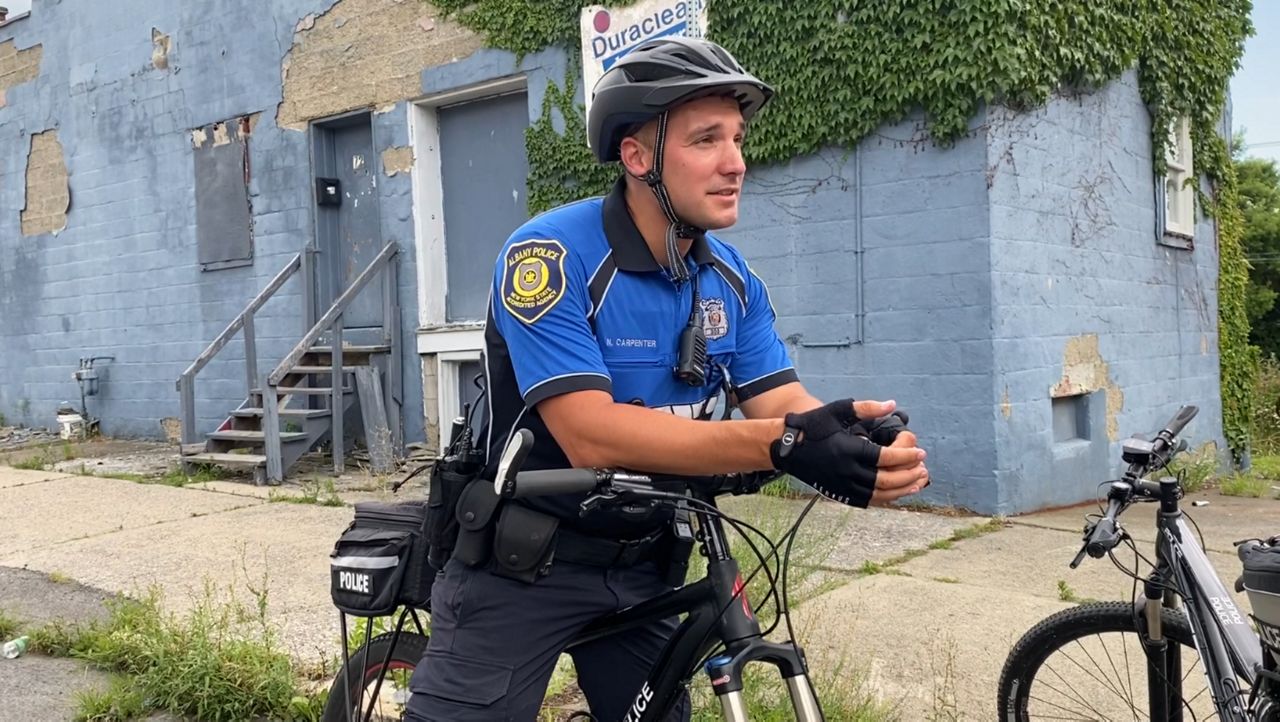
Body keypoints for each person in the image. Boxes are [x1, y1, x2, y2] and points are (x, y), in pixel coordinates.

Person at [406, 36, 929, 722]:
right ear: (638, 156)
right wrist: (785, 444)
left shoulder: (730, 279)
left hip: (649, 561)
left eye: (737, 139)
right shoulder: (550, 256)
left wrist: (845, 435)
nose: (735, 163)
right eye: (706, 139)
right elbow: (591, 433)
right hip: (524, 563)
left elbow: (780, 403)